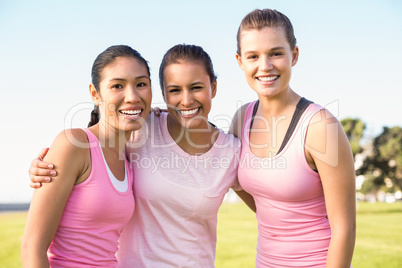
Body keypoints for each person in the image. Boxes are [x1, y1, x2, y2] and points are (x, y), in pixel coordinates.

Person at [28, 44, 255, 267]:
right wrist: (49, 164)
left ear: (213, 88)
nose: (186, 100)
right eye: (175, 90)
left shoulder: (230, 152)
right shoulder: (128, 134)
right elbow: (32, 247)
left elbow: (271, 203)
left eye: (140, 84)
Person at [230, 8, 356, 267]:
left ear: (293, 55)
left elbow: (344, 229)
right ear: (240, 61)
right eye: (253, 56)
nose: (265, 66)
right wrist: (162, 117)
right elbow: (233, 179)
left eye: (276, 53)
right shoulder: (241, 118)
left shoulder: (320, 126)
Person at [21, 45, 152, 267]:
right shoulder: (74, 144)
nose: (132, 96)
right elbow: (32, 247)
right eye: (117, 86)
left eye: (141, 84)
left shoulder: (128, 159)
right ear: (95, 93)